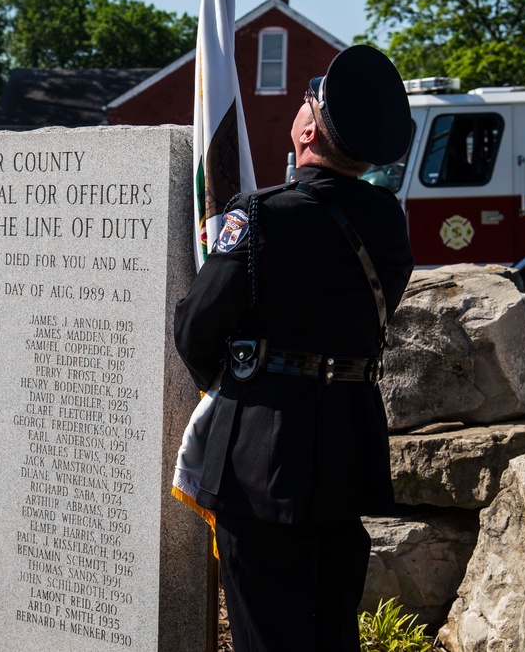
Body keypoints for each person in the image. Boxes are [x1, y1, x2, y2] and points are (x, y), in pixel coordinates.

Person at [174, 45, 415, 651]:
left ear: (307, 130)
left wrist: (241, 382)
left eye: (307, 99)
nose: (300, 104)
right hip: (346, 445)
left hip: (261, 451)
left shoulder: (261, 217)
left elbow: (197, 329)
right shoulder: (389, 221)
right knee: (330, 630)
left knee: (266, 633)